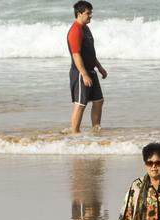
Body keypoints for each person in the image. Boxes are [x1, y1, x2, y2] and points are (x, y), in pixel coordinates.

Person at [64, 1, 107, 134]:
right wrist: (84, 74)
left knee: (99, 101)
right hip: (80, 72)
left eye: (91, 13)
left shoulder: (85, 29)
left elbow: (90, 52)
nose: (91, 16)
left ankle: (95, 129)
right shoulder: (75, 31)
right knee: (81, 103)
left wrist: (99, 67)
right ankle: (74, 132)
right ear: (79, 13)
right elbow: (76, 55)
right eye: (88, 13)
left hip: (90, 70)